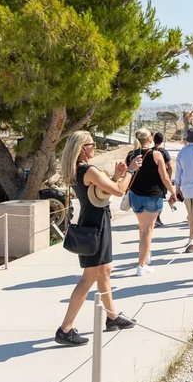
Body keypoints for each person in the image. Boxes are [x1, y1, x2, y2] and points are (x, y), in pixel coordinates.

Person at [55, 131, 137, 347]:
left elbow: (101, 191)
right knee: (89, 276)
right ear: (83, 148)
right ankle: (65, 328)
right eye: (92, 144)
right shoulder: (89, 170)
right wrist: (129, 171)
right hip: (96, 224)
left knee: (104, 270)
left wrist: (117, 176)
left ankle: (112, 317)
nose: (95, 147)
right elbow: (118, 192)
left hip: (92, 220)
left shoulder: (78, 170)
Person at [128, 128, 177, 275]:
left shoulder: (131, 155)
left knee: (143, 228)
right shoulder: (156, 154)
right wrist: (173, 192)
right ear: (149, 138)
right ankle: (141, 265)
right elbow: (165, 177)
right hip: (152, 196)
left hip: (135, 196)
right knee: (147, 230)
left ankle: (145, 254)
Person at [174, 127, 193, 254]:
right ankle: (192, 242)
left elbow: (178, 172)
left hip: (186, 188)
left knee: (191, 215)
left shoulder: (182, 152)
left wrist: (177, 187)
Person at [152, 132, 172, 228]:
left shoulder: (150, 151)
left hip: (151, 178)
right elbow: (170, 166)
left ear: (153, 140)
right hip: (161, 179)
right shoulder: (164, 152)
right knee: (159, 199)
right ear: (162, 140)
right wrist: (169, 176)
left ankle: (152, 217)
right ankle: (157, 218)